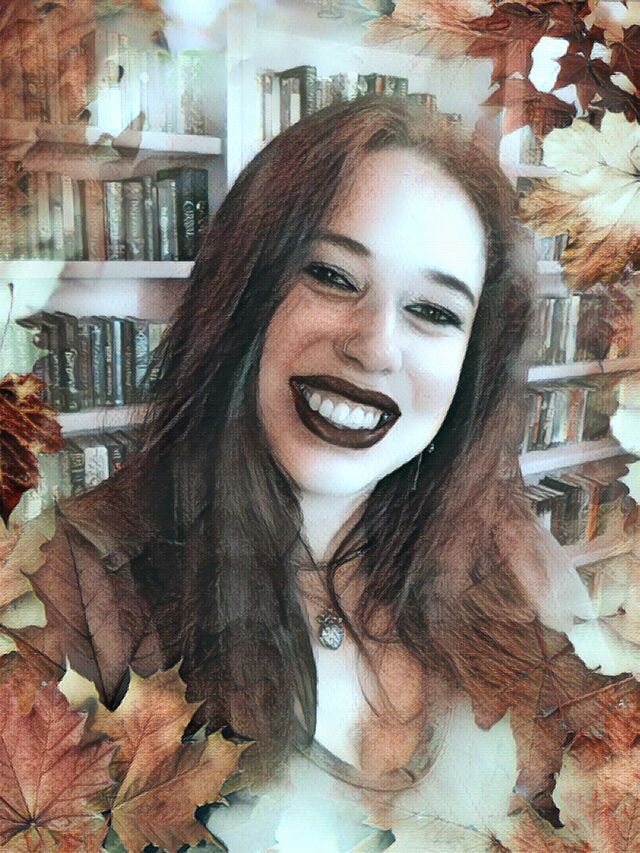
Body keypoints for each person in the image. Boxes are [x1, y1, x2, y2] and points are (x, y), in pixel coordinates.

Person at [34, 95, 598, 849]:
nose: (375, 346)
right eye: (331, 275)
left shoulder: (513, 554)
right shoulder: (68, 587)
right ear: (243, 291)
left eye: (435, 312)